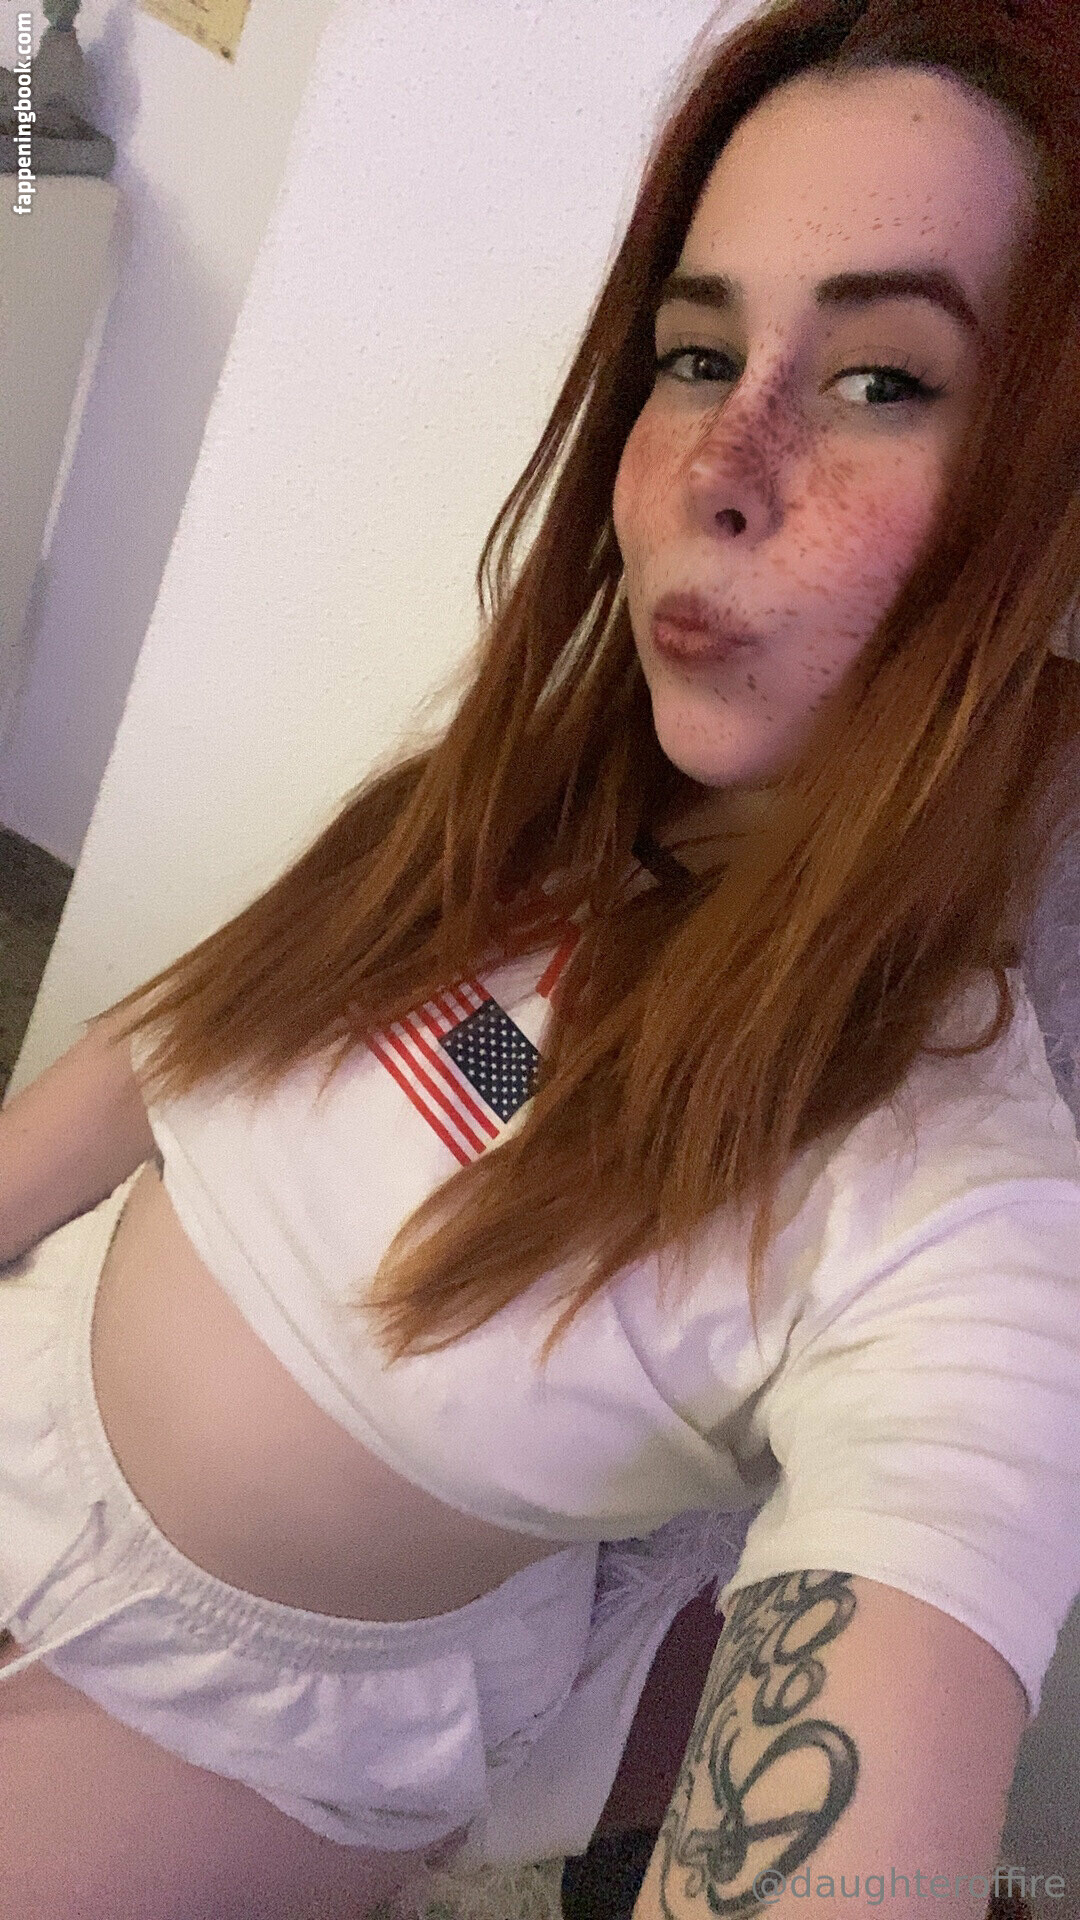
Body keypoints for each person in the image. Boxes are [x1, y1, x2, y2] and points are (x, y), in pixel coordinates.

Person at [1, 1, 1078, 1915]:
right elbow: (176, 1051)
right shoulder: (530, 806)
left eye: (884, 380)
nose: (719, 462)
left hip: (194, 1731)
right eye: (696, 353)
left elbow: (931, 1560)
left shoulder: (952, 1211)